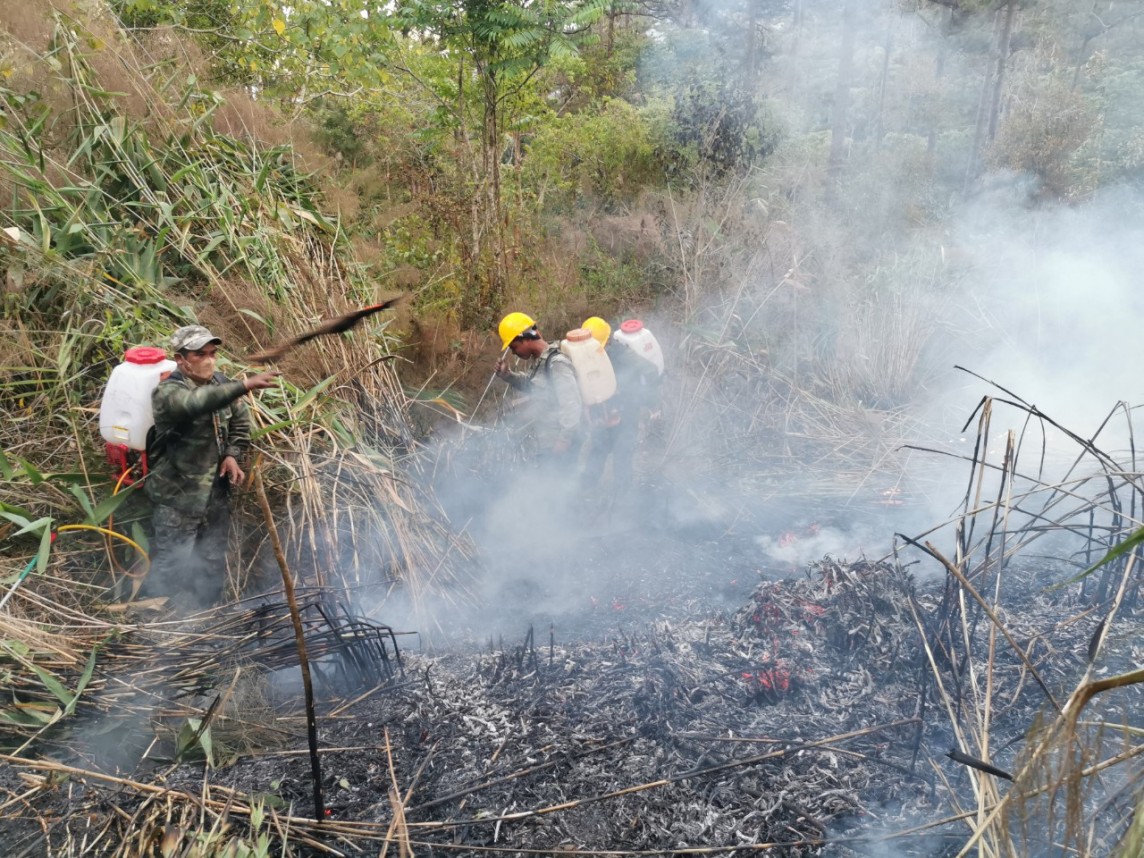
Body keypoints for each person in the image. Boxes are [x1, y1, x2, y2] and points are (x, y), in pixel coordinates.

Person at [143, 325, 279, 607]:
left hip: (215, 495)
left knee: (212, 559)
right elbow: (195, 404)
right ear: (181, 360)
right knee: (173, 563)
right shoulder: (167, 392)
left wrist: (231, 453)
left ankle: (206, 616)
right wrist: (244, 385)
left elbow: (240, 420)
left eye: (213, 353)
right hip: (178, 496)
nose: (209, 360)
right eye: (199, 354)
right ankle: (160, 624)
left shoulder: (220, 383)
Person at [493, 312, 583, 475]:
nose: (514, 353)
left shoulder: (557, 364)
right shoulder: (540, 361)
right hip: (548, 443)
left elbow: (572, 407)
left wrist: (563, 442)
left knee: (564, 494)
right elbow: (534, 386)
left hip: (561, 448)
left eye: (514, 347)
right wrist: (508, 376)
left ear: (525, 339)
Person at [580, 316, 661, 491]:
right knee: (598, 450)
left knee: (622, 453)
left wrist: (650, 401)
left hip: (627, 411)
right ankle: (586, 490)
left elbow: (651, 371)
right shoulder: (593, 355)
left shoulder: (624, 355)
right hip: (604, 411)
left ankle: (622, 497)